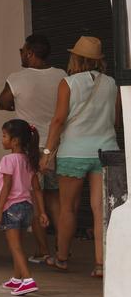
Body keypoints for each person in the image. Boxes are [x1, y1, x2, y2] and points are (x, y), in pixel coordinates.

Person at [42, 36, 120, 278]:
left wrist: (47, 152)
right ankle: (100, 263)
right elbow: (117, 121)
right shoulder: (111, 84)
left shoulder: (68, 83)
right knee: (100, 211)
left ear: (75, 57)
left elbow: (58, 119)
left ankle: (62, 258)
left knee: (68, 209)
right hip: (106, 150)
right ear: (99, 60)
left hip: (74, 152)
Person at [0, 34, 65, 264]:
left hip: (31, 148)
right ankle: (61, 249)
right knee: (55, 198)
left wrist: (20, 104)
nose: (20, 54)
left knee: (34, 198)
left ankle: (42, 251)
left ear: (29, 53)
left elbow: (2, 102)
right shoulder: (61, 75)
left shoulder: (16, 79)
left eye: (21, 50)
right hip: (56, 145)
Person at [0, 119, 48, 296]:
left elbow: (7, 186)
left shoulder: (7, 160)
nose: (2, 139)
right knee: (19, 245)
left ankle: (27, 279)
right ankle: (17, 278)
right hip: (27, 208)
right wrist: (42, 212)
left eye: (4, 136)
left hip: (11, 208)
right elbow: (37, 189)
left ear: (15, 140)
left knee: (15, 246)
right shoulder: (29, 160)